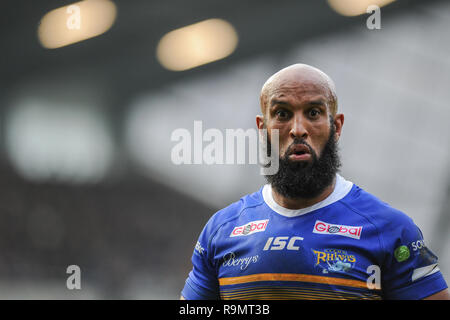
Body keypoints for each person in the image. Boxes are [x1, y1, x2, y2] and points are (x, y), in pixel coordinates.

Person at [180, 64, 449, 300]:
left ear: (337, 126)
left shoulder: (389, 230)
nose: (298, 129)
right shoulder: (221, 230)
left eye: (313, 112)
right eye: (282, 114)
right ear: (263, 129)